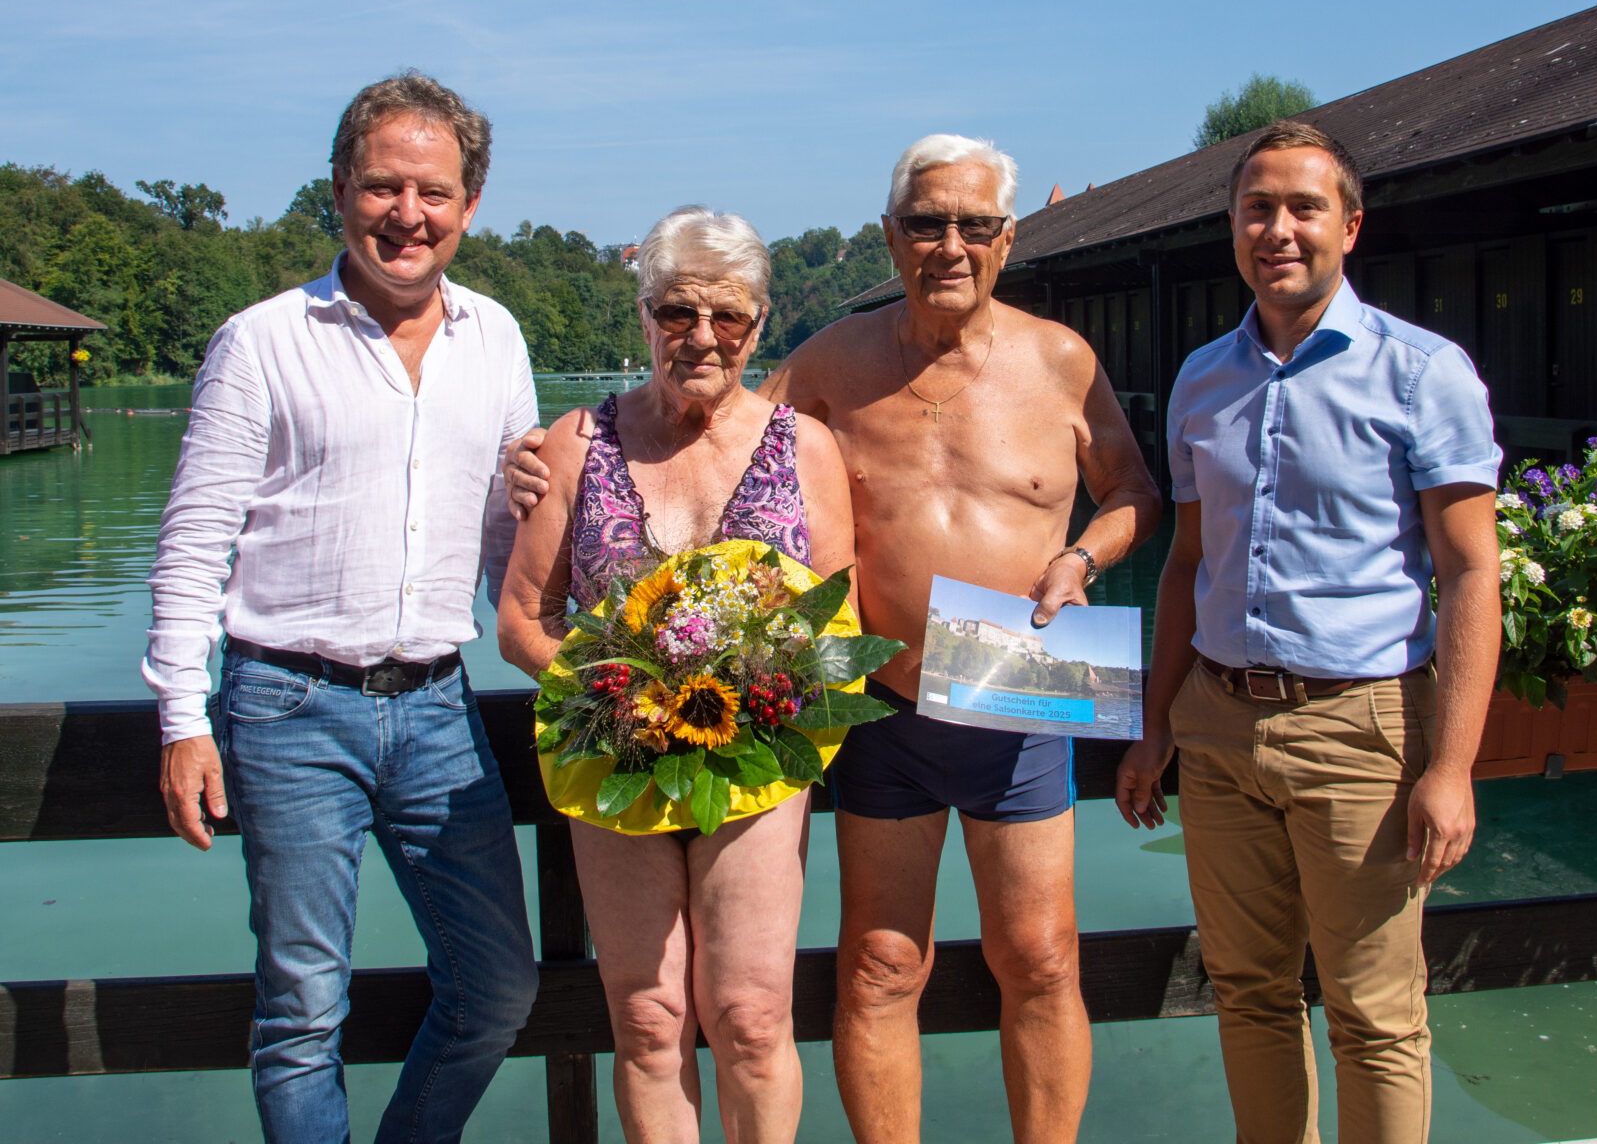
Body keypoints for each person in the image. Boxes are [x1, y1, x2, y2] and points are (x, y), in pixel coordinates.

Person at [505, 136, 1159, 1141]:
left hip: (1019, 682)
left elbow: (1134, 491)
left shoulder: (1061, 358)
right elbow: (708, 429)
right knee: (880, 963)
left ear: (1008, 237)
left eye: (975, 225)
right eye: (928, 222)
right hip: (883, 703)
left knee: (1043, 954)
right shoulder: (827, 364)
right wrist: (540, 467)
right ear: (891, 235)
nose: (951, 244)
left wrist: (1084, 557)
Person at [144, 73, 540, 1143]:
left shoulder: (497, 339)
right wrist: (184, 715)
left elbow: (511, 544)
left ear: (469, 205)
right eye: (382, 186)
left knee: (501, 985)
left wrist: (603, 649)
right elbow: (192, 544)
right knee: (303, 1009)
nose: (406, 214)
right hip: (287, 705)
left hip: (440, 709)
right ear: (339, 190)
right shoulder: (262, 339)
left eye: (434, 192)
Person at [1115, 120, 1502, 1143]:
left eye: (1302, 207)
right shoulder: (1203, 378)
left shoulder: (1422, 372)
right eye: (1257, 207)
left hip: (1359, 725)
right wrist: (1155, 724)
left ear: (1351, 224)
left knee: (1375, 1011)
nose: (1277, 228)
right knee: (1246, 988)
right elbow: (1189, 564)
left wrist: (1452, 763)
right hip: (1220, 720)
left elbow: (1469, 572)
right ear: (1232, 227)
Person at [495, 206, 856, 1144]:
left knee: (749, 1018)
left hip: (756, 769)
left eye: (727, 317)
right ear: (645, 315)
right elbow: (522, 621)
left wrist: (757, 703)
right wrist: (627, 695)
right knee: (649, 1024)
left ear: (761, 323)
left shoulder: (805, 448)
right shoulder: (576, 444)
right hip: (609, 753)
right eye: (676, 312)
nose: (702, 337)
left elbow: (839, 628)